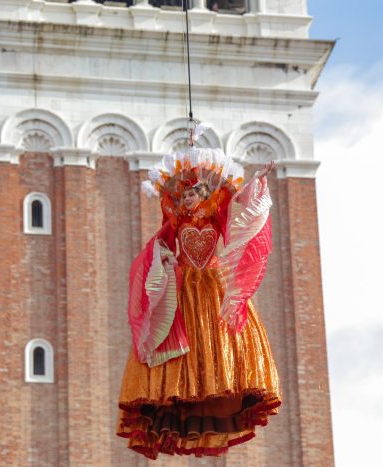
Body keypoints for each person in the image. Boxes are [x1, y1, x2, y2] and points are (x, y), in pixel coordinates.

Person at [116, 147, 281, 459]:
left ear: (204, 195)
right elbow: (161, 241)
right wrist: (162, 257)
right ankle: (180, 388)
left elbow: (240, 211)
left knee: (216, 339)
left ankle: (218, 380)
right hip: (184, 287)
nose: (186, 200)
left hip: (210, 285)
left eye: (191, 195)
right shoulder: (176, 218)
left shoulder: (217, 214)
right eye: (184, 195)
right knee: (180, 341)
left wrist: (257, 180)